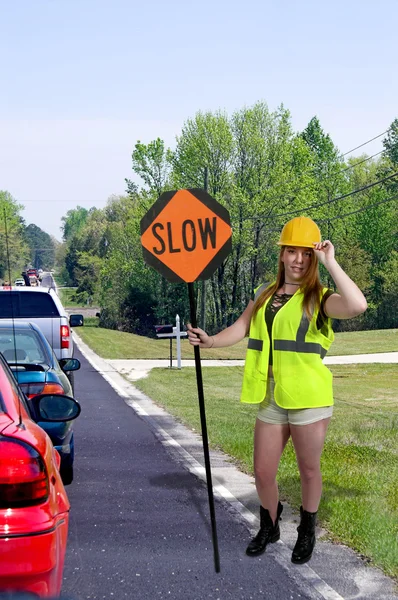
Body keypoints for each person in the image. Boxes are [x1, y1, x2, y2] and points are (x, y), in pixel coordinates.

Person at [187, 216, 367, 564]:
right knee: (264, 471)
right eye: (291, 251)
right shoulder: (264, 294)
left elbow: (358, 305)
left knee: (308, 469)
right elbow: (240, 328)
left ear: (313, 258)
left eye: (305, 253)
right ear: (282, 254)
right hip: (271, 395)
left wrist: (332, 261)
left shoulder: (321, 297)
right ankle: (270, 525)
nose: (298, 259)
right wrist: (209, 342)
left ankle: (307, 530)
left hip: (309, 398)